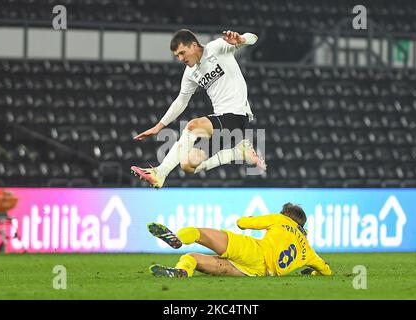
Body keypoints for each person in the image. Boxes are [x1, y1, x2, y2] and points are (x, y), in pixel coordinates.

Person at [131, 29, 266, 188]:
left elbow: (254, 38)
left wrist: (241, 39)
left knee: (193, 126)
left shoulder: (216, 48)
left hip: (237, 115)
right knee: (187, 164)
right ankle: (236, 153)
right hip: (221, 120)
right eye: (177, 56)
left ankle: (160, 173)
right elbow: (181, 101)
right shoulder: (190, 73)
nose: (181, 58)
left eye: (182, 52)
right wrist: (158, 127)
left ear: (194, 45)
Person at [147, 203, 332, 277]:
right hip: (258, 273)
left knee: (199, 234)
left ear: (285, 214)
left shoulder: (281, 219)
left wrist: (245, 220)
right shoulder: (308, 249)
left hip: (255, 251)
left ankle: (178, 239)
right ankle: (183, 272)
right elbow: (325, 269)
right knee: (194, 259)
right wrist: (313, 273)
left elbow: (242, 223)